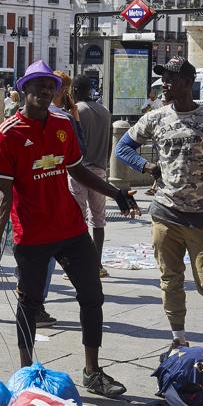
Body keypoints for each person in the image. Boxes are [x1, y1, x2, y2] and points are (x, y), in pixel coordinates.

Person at [0, 61, 139, 397]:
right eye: (38, 86)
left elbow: (79, 171)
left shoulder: (63, 124)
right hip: (32, 233)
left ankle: (92, 371)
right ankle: (25, 375)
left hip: (70, 227)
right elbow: (3, 190)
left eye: (50, 86)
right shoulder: (7, 133)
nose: (46, 92)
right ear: (24, 91)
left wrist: (116, 193)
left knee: (93, 295)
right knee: (30, 303)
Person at [115, 56, 203, 349]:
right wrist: (146, 167)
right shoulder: (155, 117)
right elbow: (123, 147)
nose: (164, 86)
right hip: (164, 214)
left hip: (199, 217)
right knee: (170, 280)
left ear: (187, 83)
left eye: (170, 80)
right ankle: (178, 339)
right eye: (163, 80)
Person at [69, 74, 114, 278]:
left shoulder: (77, 111)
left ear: (75, 90)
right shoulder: (105, 111)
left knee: (77, 219)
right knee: (99, 220)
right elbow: (110, 144)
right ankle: (97, 264)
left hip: (80, 170)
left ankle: (80, 264)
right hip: (100, 169)